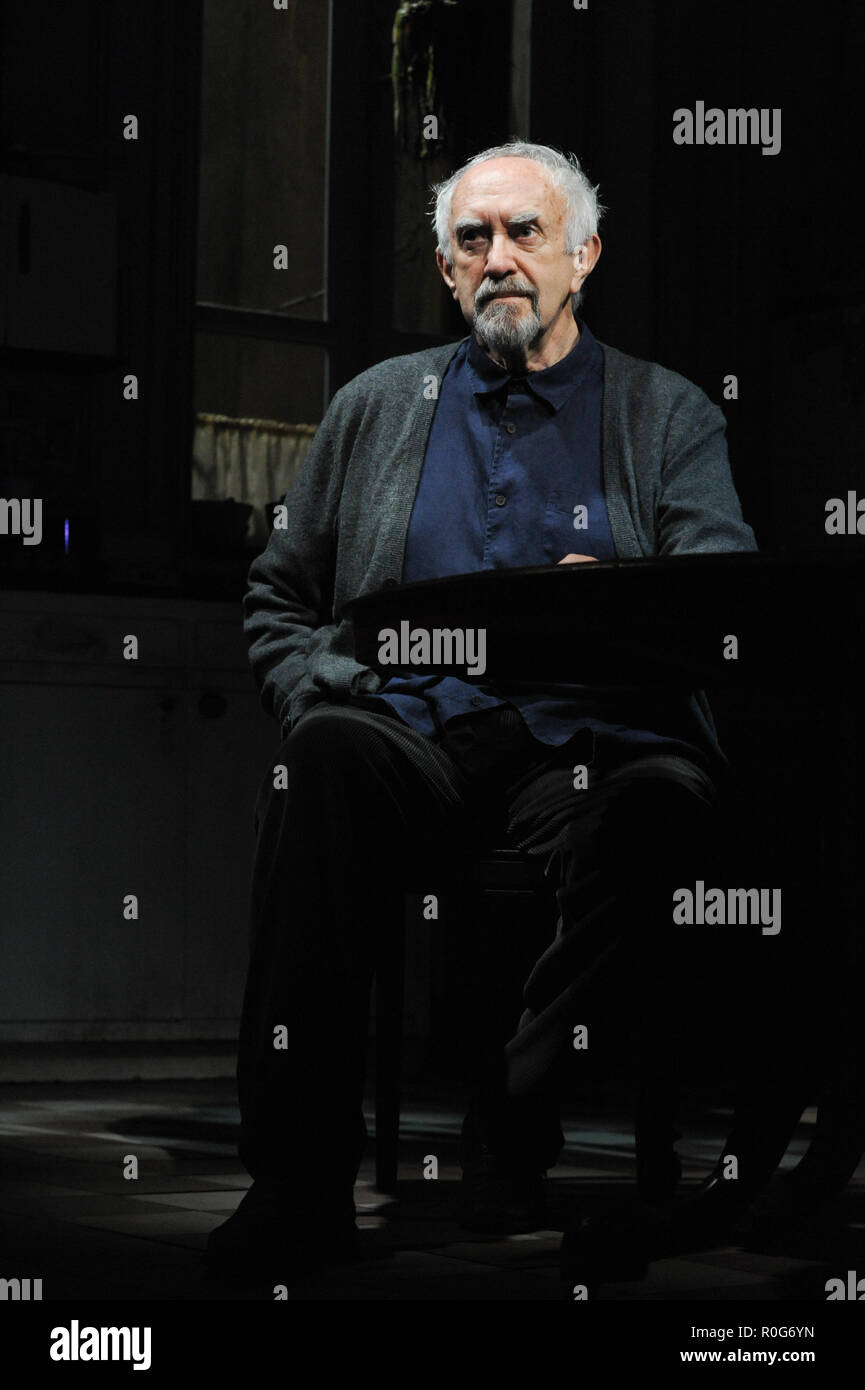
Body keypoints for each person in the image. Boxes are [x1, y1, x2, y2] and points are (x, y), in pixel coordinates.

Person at [206, 141, 760, 1281]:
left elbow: (722, 603)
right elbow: (279, 591)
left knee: (663, 807)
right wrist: (323, 683)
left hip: (596, 733)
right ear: (448, 270)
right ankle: (297, 1179)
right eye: (474, 239)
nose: (500, 259)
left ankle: (515, 1116)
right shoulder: (376, 406)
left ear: (583, 256)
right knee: (321, 756)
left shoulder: (666, 415)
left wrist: (612, 611)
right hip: (414, 726)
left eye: (525, 234)